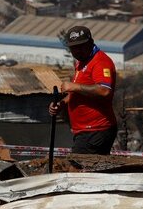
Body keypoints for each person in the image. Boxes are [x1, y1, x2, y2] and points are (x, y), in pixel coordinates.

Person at [48, 25, 118, 154]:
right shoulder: (82, 62)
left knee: (76, 170)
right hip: (85, 130)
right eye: (73, 48)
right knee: (90, 171)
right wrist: (62, 103)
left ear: (90, 42)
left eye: (80, 46)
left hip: (96, 129)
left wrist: (75, 86)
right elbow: (78, 93)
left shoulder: (100, 62)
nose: (77, 51)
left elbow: (104, 90)